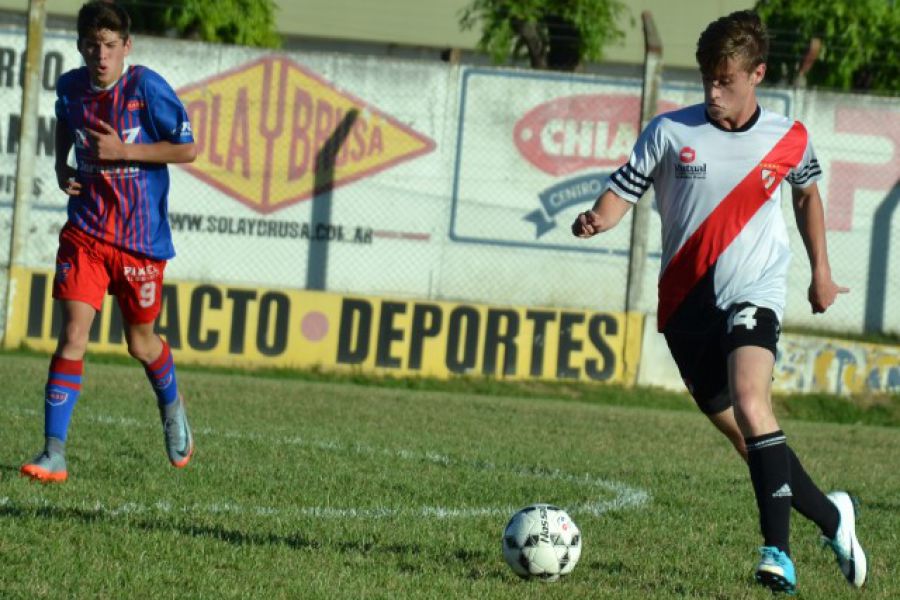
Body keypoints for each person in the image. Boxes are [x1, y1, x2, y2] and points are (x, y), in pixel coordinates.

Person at [571, 10, 865, 595]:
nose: (712, 92)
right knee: (747, 439)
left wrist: (821, 274)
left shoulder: (788, 137)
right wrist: (596, 219)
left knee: (755, 404)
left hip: (754, 290)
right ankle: (835, 519)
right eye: (707, 78)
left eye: (725, 82)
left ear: (756, 74)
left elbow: (807, 195)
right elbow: (623, 189)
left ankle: (777, 553)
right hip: (686, 308)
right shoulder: (670, 132)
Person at [21, 1, 197, 483]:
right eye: (93, 46)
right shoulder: (72, 87)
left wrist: (127, 150)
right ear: (81, 47)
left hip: (140, 242)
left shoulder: (146, 88)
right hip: (86, 234)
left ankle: (171, 406)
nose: (102, 55)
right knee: (73, 335)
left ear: (126, 47)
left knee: (140, 343)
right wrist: (62, 165)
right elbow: (63, 119)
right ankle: (53, 453)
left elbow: (188, 148)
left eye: (111, 46)